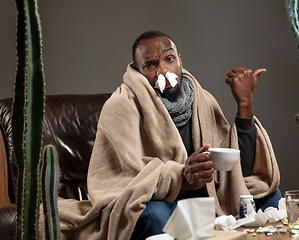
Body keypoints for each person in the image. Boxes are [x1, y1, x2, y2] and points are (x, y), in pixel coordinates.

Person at [55, 30, 280, 240]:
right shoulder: (121, 106)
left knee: (269, 194)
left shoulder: (202, 100)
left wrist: (245, 104)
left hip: (205, 205)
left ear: (180, 60)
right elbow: (124, 180)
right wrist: (182, 176)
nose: (163, 70)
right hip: (166, 206)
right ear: (138, 70)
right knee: (154, 213)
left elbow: (239, 170)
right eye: (151, 65)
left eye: (169, 59)